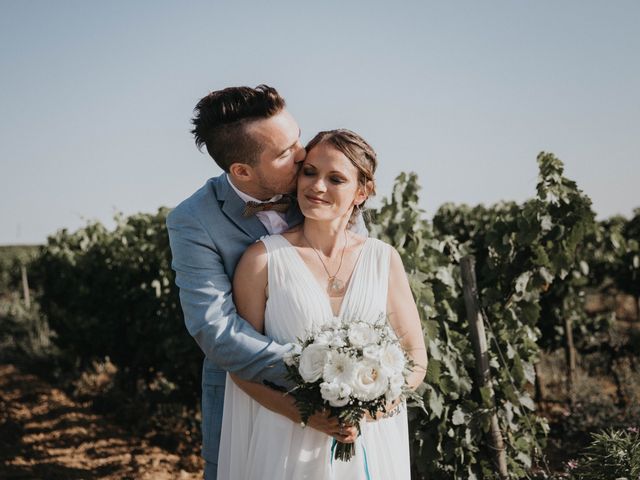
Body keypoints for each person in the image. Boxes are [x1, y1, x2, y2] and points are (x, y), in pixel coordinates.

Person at [217, 129, 428, 479]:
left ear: (362, 192)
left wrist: (369, 411)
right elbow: (240, 366)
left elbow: (415, 359)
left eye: (336, 179)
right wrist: (303, 414)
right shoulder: (262, 261)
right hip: (287, 441)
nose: (316, 187)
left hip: (367, 440)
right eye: (310, 172)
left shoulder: (383, 259)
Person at [167, 85, 352, 479]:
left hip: (340, 409)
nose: (304, 154)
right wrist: (318, 373)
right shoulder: (193, 221)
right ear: (242, 171)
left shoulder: (322, 189)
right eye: (285, 152)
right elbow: (216, 330)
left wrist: (352, 380)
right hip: (246, 400)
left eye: (298, 137)